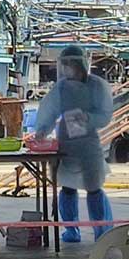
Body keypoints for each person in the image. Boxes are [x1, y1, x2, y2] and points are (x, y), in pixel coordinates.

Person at [35, 45, 114, 243]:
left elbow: (105, 115)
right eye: (65, 64)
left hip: (88, 144)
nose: (67, 68)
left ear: (80, 64)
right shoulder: (60, 88)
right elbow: (49, 110)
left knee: (93, 187)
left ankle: (101, 230)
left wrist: (87, 117)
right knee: (68, 187)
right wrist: (43, 129)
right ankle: (71, 229)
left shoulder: (97, 86)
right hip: (66, 144)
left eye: (71, 64)